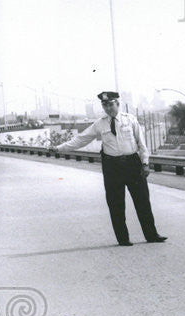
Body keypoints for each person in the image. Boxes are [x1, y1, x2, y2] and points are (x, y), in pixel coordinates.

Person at [50, 91, 167, 246]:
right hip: (112, 166)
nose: (108, 108)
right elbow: (81, 139)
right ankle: (123, 239)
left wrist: (145, 163)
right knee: (115, 203)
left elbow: (142, 143)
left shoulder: (130, 120)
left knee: (142, 201)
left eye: (111, 104)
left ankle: (152, 235)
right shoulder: (100, 124)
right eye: (105, 105)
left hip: (132, 164)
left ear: (117, 104)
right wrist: (59, 148)